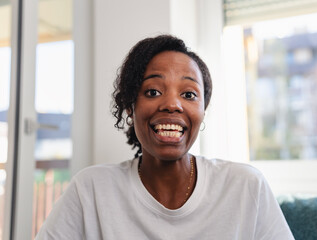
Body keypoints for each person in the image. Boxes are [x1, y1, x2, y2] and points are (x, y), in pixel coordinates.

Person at [35, 35, 294, 239]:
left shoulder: (246, 186)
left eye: (189, 94)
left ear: (203, 110)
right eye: (153, 91)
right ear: (130, 105)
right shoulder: (90, 189)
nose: (172, 104)